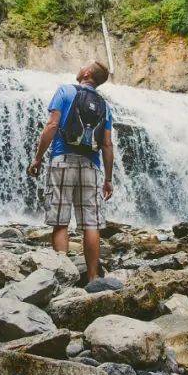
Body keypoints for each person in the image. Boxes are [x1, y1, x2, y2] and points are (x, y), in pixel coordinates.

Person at [27, 61, 114, 283]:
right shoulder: (105, 105)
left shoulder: (65, 90)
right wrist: (109, 179)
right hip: (92, 166)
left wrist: (38, 158)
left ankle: (60, 277)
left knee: (61, 221)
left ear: (86, 73)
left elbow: (52, 125)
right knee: (91, 224)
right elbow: (107, 144)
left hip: (62, 158)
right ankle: (93, 278)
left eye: (82, 66)